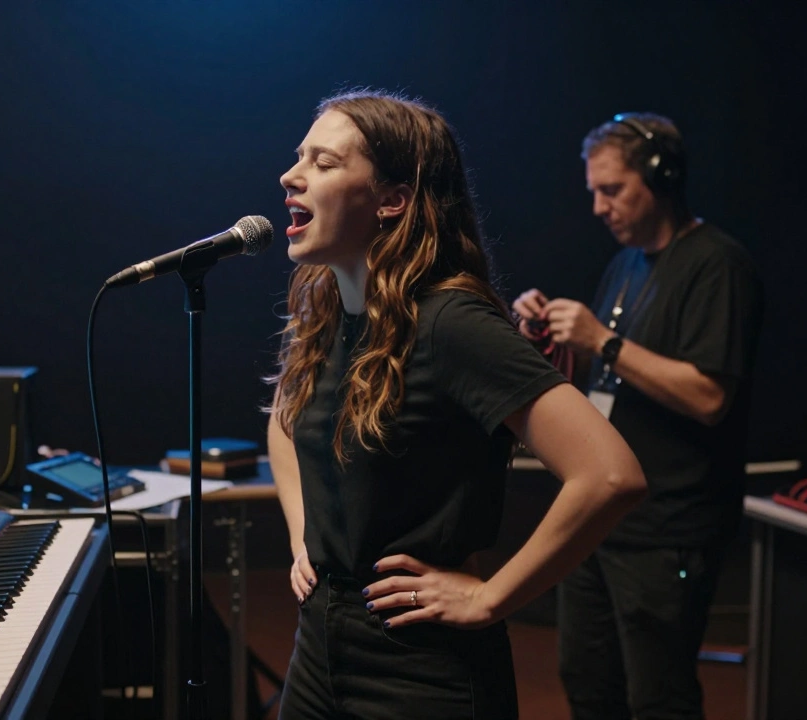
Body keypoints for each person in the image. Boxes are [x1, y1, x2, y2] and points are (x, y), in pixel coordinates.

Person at [267, 89, 647, 719]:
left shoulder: (450, 322)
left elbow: (610, 474)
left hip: (419, 668)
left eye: (325, 163)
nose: (291, 175)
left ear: (393, 200)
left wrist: (492, 597)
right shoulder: (328, 310)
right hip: (321, 648)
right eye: (300, 157)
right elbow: (285, 420)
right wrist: (302, 531)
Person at [512, 113, 764, 720]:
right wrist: (550, 334)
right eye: (594, 191)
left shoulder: (716, 263)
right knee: (588, 682)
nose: (599, 207)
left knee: (659, 697)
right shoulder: (626, 263)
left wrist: (603, 341)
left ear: (663, 178)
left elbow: (708, 397)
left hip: (667, 527)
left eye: (613, 190)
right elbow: (611, 380)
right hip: (601, 520)